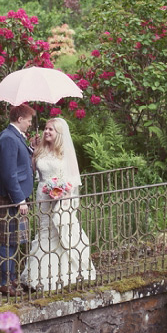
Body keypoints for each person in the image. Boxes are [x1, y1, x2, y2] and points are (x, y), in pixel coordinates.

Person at [21, 116, 96, 291]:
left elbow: (74, 180)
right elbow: (32, 170)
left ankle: (65, 273)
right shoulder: (40, 150)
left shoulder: (65, 153)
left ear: (59, 134)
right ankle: (40, 273)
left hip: (62, 197)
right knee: (45, 231)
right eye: (46, 128)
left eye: (51, 129)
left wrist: (63, 194)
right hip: (43, 196)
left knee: (60, 231)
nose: (47, 131)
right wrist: (33, 149)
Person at [0, 103, 35, 292]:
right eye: (28, 121)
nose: (30, 124)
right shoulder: (9, 138)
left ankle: (10, 279)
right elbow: (9, 174)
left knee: (12, 241)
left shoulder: (14, 136)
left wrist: (31, 147)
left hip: (14, 196)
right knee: (6, 241)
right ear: (20, 119)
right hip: (10, 198)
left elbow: (19, 163)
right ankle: (4, 284)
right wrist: (19, 199)